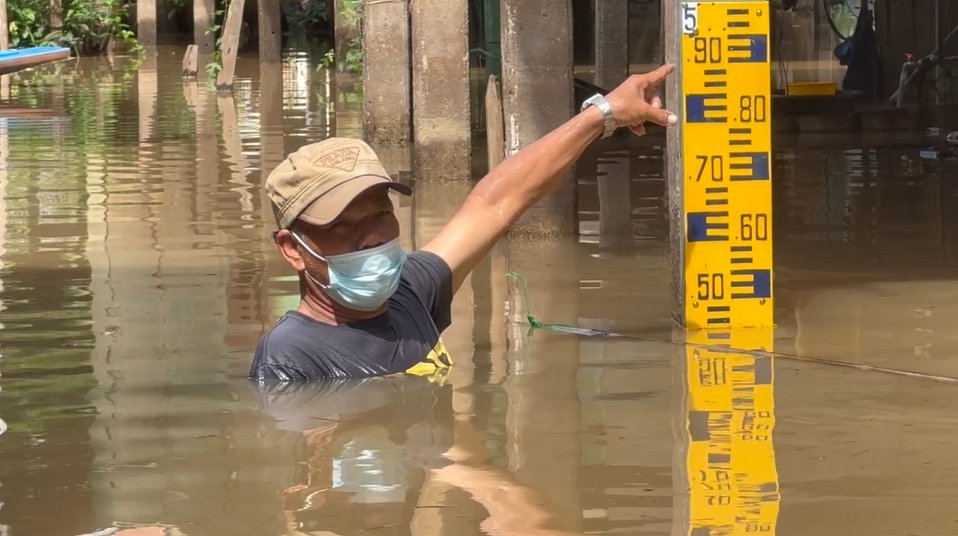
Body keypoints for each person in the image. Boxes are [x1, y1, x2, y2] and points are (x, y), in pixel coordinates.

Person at [249, 64, 678, 381]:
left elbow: (497, 202)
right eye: (344, 224)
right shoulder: (290, 359)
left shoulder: (410, 291)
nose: (373, 237)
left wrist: (602, 114)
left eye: (381, 213)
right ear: (292, 248)